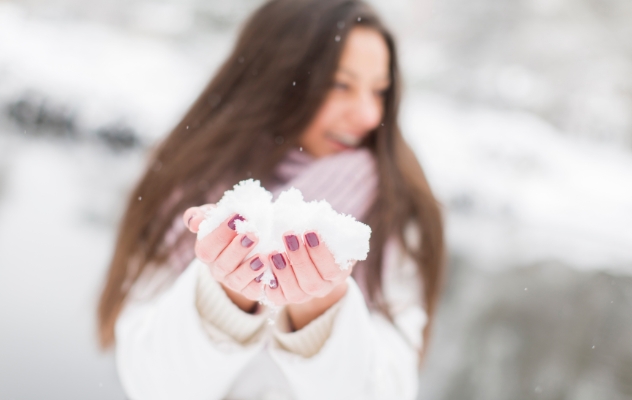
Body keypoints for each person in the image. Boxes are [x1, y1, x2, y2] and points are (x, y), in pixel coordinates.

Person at [97, 0, 445, 399]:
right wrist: (227, 297)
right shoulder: (186, 181)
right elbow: (153, 384)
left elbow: (391, 390)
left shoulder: (397, 208)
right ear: (276, 76)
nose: (367, 115)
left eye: (379, 91)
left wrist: (320, 312)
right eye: (340, 84)